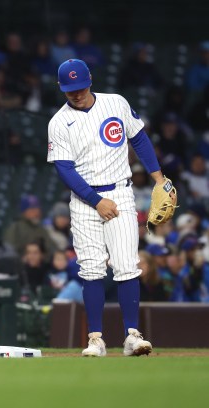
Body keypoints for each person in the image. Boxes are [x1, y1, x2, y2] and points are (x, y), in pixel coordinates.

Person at [47, 59, 172, 357]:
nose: (75, 94)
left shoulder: (115, 103)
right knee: (90, 269)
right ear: (61, 88)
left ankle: (132, 335)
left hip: (121, 192)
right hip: (85, 201)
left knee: (127, 265)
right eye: (69, 90)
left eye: (79, 87)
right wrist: (95, 201)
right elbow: (64, 169)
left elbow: (139, 139)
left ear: (90, 80)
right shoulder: (58, 122)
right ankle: (96, 339)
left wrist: (158, 179)